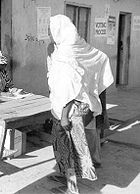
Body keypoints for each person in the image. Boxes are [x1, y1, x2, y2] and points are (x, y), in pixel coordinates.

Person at [47, 15, 114, 194]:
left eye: (50, 29)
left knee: (66, 147)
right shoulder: (81, 46)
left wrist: (63, 117)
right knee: (74, 146)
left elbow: (68, 87)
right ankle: (65, 176)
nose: (49, 33)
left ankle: (72, 188)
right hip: (85, 107)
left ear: (58, 30)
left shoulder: (65, 54)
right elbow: (102, 58)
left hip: (69, 111)